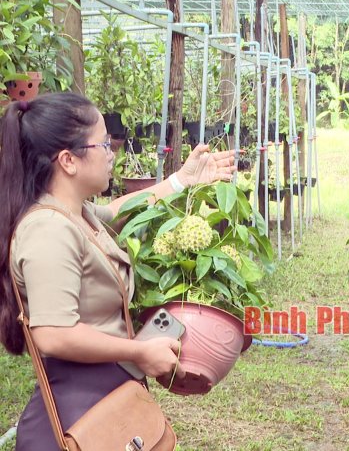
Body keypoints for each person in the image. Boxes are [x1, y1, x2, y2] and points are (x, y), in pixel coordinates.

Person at [0, 93, 235, 450]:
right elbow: (53, 334)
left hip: (101, 398)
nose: (113, 153)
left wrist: (182, 181)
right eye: (104, 144)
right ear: (68, 161)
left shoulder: (76, 214)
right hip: (75, 416)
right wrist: (138, 352)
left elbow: (120, 209)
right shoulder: (49, 230)